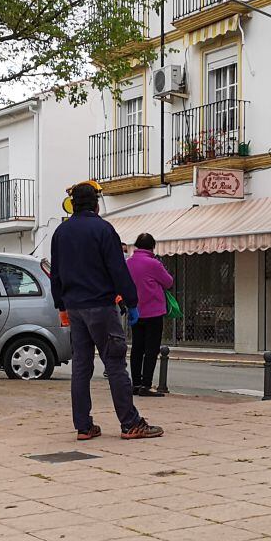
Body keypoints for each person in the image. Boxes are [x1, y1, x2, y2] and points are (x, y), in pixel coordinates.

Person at [50, 182, 163, 441]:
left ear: (73, 204)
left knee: (81, 366)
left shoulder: (61, 232)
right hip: (100, 305)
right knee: (114, 364)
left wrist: (61, 306)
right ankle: (130, 423)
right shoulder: (103, 229)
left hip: (75, 308)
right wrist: (132, 303)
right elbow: (117, 269)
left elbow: (56, 273)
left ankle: (84, 426)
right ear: (96, 204)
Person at [126, 233, 174, 397]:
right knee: (151, 350)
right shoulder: (154, 264)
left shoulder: (129, 263)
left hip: (135, 311)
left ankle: (135, 384)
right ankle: (146, 385)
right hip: (153, 312)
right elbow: (169, 282)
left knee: (137, 348)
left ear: (137, 246)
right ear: (152, 246)